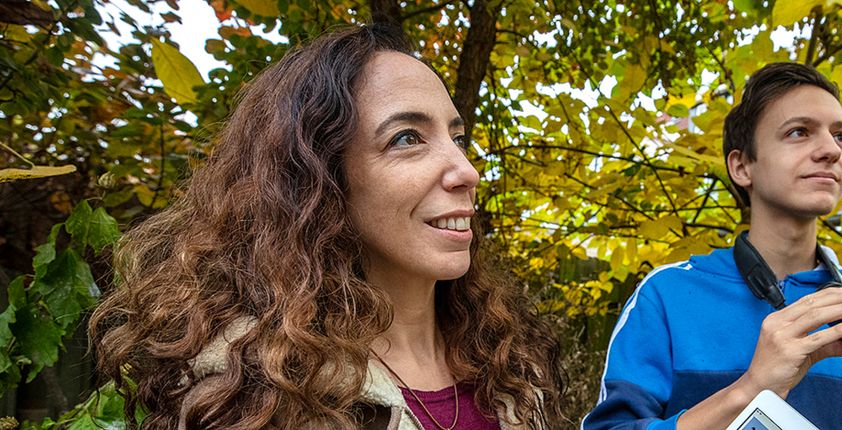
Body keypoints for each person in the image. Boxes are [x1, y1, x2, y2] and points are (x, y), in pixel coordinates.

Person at [90, 24, 562, 430]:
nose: (466, 171)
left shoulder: (509, 366)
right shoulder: (254, 397)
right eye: (406, 138)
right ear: (317, 181)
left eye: (457, 138)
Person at [581, 62, 842, 430]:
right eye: (799, 132)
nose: (831, 150)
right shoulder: (665, 294)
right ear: (741, 167)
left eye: (839, 135)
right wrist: (750, 389)